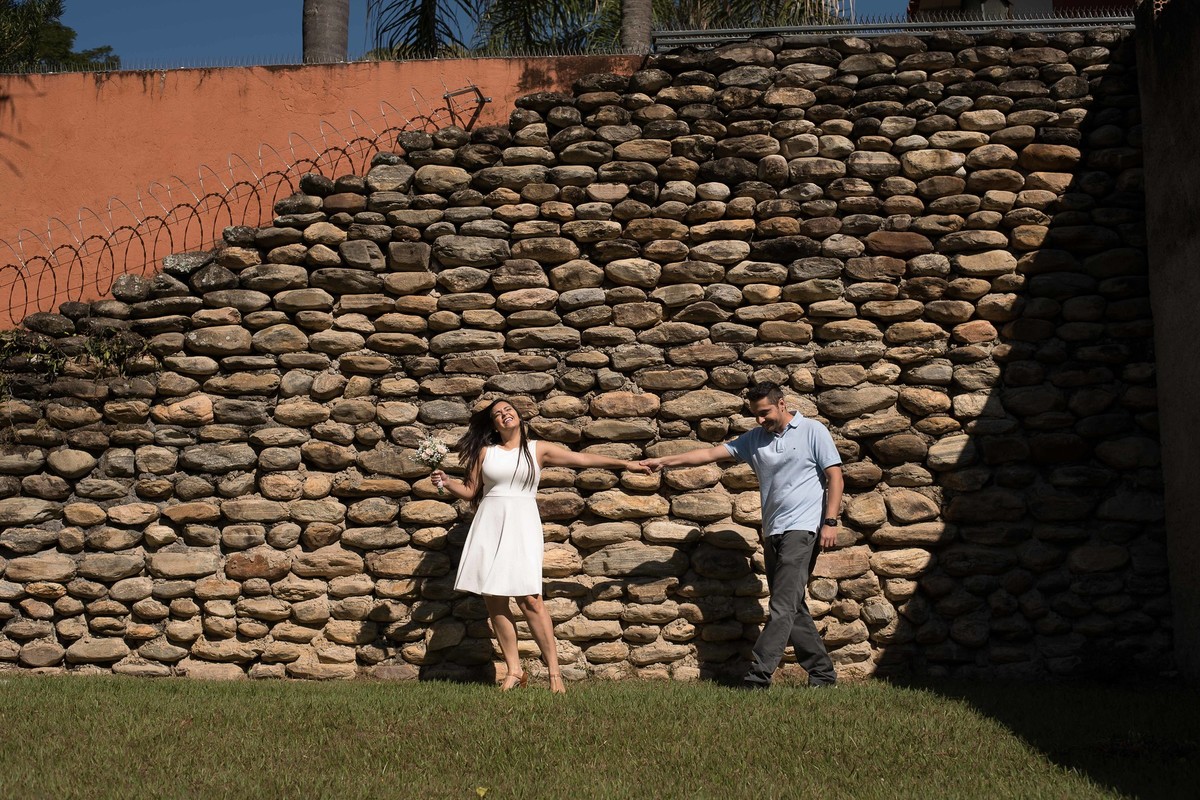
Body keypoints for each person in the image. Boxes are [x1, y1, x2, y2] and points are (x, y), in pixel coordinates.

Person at [430, 398, 649, 693]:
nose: (503, 415)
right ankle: (514, 670)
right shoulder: (485, 452)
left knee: (531, 599)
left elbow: (581, 460)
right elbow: (470, 491)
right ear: (493, 424)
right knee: (494, 599)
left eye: (508, 410)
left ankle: (554, 674)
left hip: (521, 524)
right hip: (489, 523)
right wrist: (445, 481)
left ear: (518, 417)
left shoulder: (537, 449)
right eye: (497, 414)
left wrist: (625, 463)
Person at [641, 382, 843, 689]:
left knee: (782, 606)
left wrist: (830, 521)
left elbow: (834, 476)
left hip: (802, 529)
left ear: (782, 404)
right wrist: (664, 461)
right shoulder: (755, 440)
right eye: (755, 415)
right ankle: (823, 675)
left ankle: (757, 677)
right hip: (773, 530)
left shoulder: (813, 431)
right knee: (791, 604)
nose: (760, 420)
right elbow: (709, 454)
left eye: (765, 413)